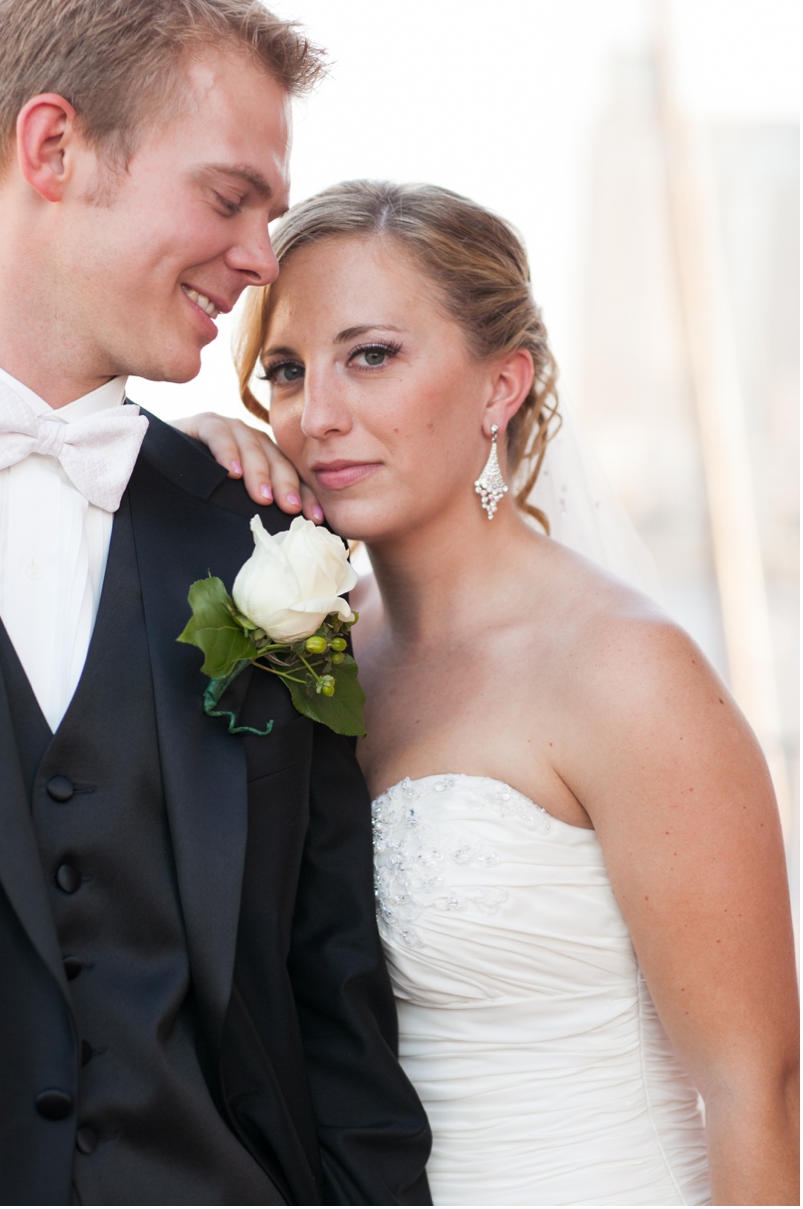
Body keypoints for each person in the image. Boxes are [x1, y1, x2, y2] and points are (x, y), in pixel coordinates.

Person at [0, 0, 431, 1207]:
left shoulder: (258, 536)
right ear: (54, 150)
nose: (262, 259)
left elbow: (333, 997)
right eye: (229, 197)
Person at [184, 179, 799, 1207]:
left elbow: (758, 1093)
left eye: (370, 355)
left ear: (500, 387)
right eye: (287, 371)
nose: (317, 415)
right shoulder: (316, 650)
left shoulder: (621, 669)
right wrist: (186, 485)